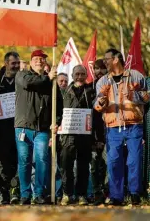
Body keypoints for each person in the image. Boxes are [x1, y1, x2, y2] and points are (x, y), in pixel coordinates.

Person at [94, 48, 150, 206]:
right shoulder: (103, 81)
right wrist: (101, 102)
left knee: (134, 160)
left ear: (116, 59)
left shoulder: (136, 76)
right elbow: (97, 105)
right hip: (113, 127)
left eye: (107, 59)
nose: (105, 62)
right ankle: (116, 196)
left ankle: (134, 194)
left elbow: (147, 98)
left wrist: (135, 96)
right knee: (113, 161)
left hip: (134, 126)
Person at [14, 50, 62, 205]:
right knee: (24, 161)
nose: (39, 61)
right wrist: (48, 78)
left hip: (42, 129)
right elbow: (30, 84)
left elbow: (59, 105)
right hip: (23, 127)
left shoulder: (52, 83)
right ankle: (25, 194)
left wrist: (56, 122)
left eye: (42, 59)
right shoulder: (22, 75)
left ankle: (39, 193)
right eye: (35, 59)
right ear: (30, 61)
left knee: (42, 159)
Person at [59, 65, 104, 206]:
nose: (79, 77)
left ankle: (82, 195)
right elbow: (58, 113)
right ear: (72, 75)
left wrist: (98, 138)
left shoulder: (91, 91)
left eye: (82, 74)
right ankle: (67, 194)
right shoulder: (64, 92)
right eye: (77, 74)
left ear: (86, 76)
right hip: (68, 136)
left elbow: (96, 117)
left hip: (86, 136)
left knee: (83, 166)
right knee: (66, 166)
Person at [0, 52, 21, 204]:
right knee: (3, 162)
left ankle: (15, 191)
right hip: (0, 129)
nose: (16, 66)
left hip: (19, 126)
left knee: (19, 160)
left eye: (18, 63)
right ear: (6, 63)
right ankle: (3, 192)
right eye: (13, 63)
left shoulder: (23, 80)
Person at [90, 59, 108, 205]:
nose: (99, 71)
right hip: (94, 134)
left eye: (102, 68)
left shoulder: (112, 86)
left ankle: (108, 192)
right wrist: (95, 138)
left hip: (111, 132)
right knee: (95, 166)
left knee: (109, 165)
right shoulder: (89, 89)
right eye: (97, 69)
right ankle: (97, 193)